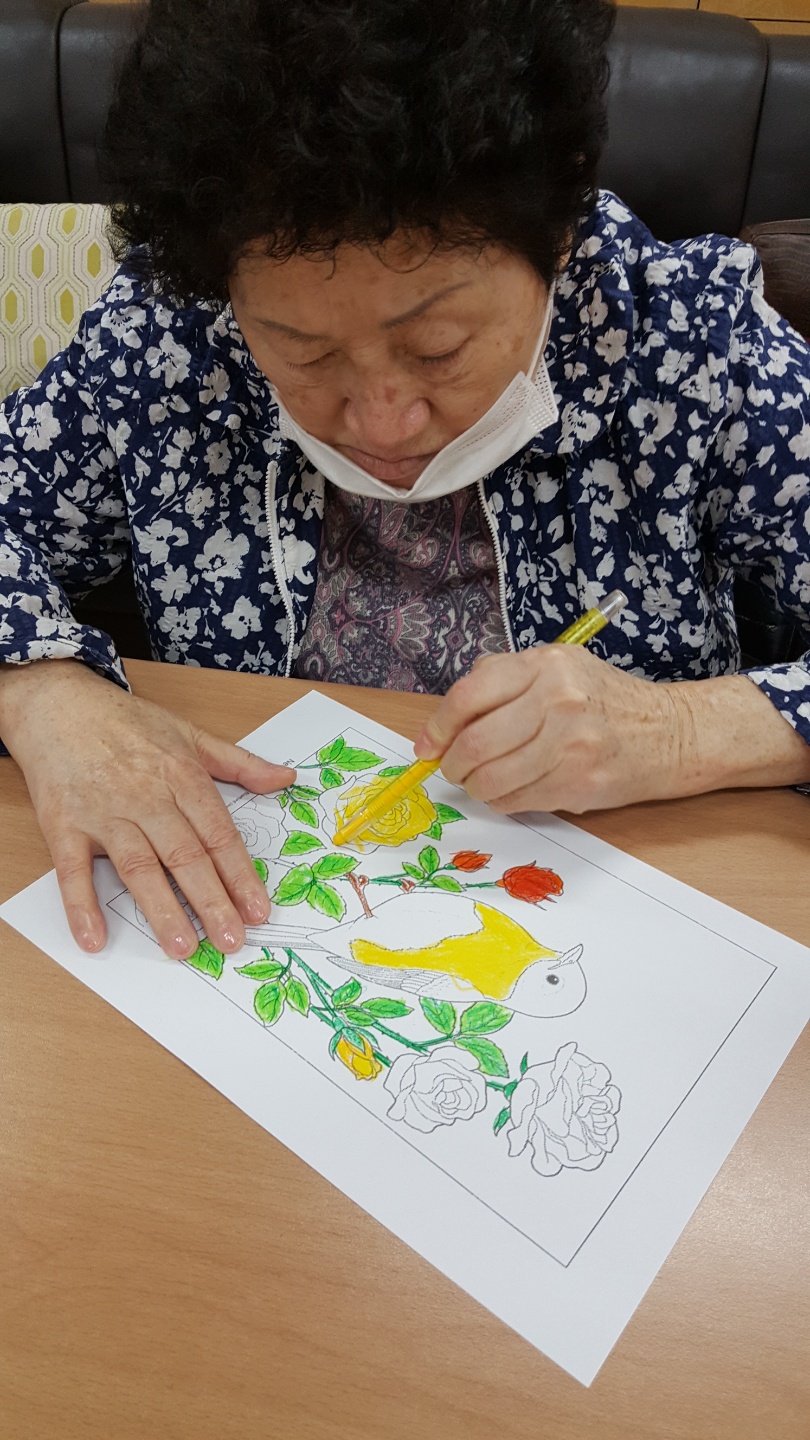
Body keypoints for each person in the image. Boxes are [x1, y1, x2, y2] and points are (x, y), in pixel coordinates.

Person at [1, 0, 808, 964]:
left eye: (439, 347)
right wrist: (40, 689)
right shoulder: (168, 341)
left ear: (556, 241)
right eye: (304, 353)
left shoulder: (694, 348)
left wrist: (678, 730)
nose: (385, 424)